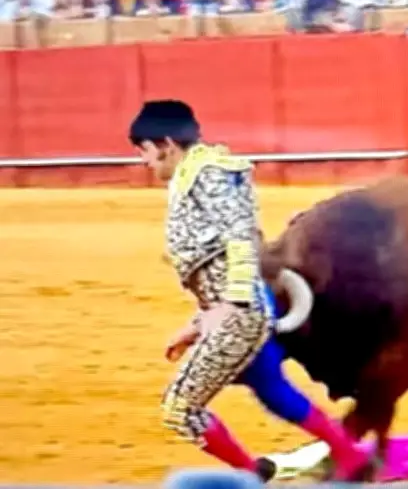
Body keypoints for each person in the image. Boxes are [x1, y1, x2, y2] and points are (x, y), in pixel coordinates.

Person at [128, 99, 372, 482]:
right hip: (241, 304)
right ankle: (351, 457)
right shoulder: (202, 172)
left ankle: (249, 475)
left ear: (166, 144)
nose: (144, 161)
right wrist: (199, 322)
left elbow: (239, 235)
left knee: (180, 409)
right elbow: (221, 259)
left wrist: (231, 303)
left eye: (144, 151)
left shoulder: (206, 174)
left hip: (240, 307)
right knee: (269, 385)